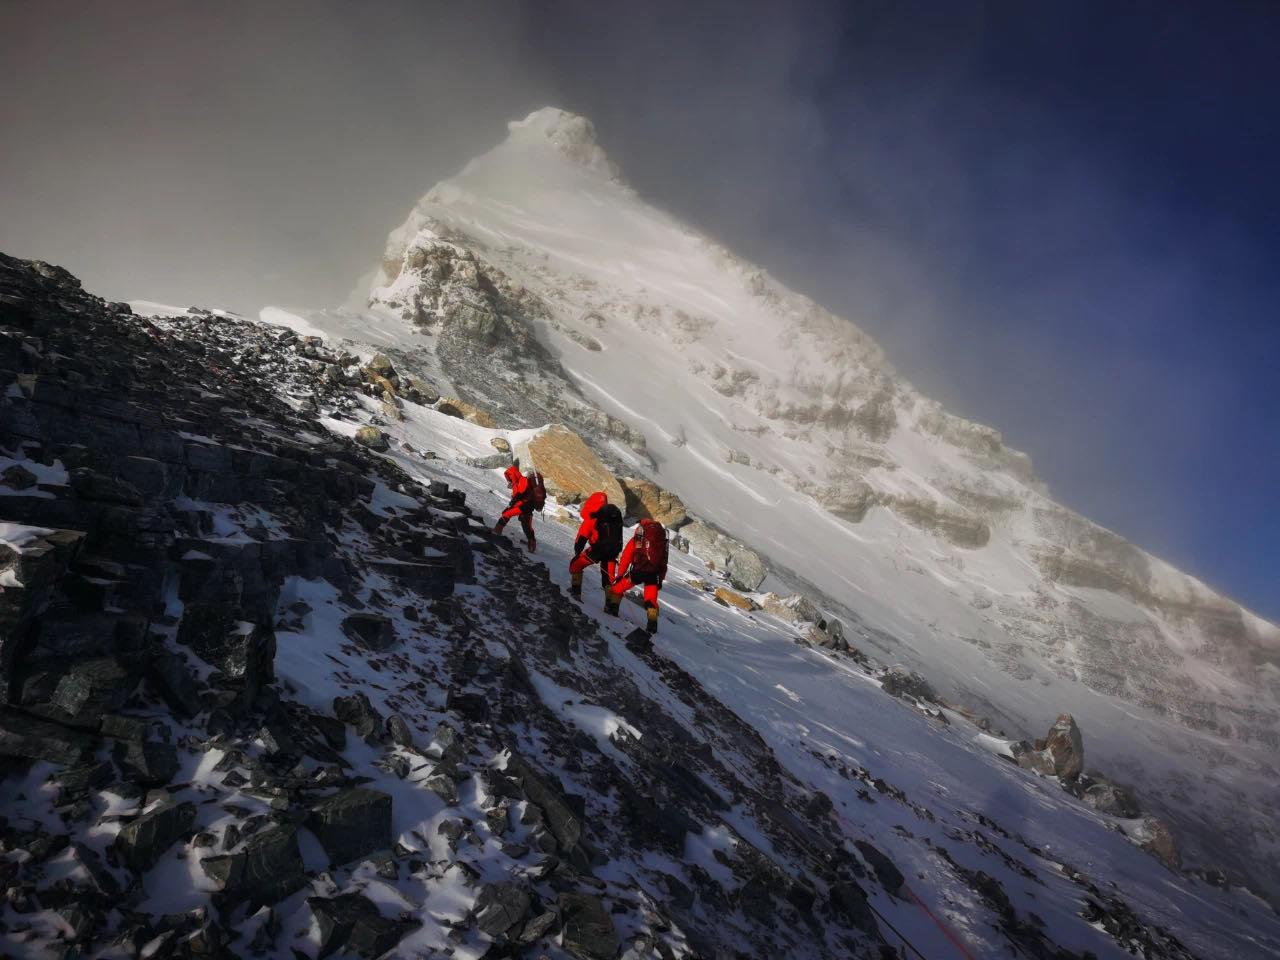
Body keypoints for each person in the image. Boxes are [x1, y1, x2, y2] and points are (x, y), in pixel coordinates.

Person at [605, 518, 668, 634]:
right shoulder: (661, 540)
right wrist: (660, 580)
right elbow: (663, 563)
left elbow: (626, 557)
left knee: (617, 589)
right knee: (651, 600)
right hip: (653, 574)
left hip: (638, 571)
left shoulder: (639, 537)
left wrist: (620, 575)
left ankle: (612, 609)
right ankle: (652, 627)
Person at [568, 493, 623, 600]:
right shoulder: (613, 516)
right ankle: (611, 606)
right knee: (608, 579)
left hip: (597, 550)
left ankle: (576, 592)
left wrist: (577, 553)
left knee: (576, 565)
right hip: (613, 552)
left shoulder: (593, 515)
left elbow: (582, 537)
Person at [493, 463, 539, 552]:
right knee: (526, 524)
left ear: (513, 475)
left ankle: (497, 531)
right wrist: (512, 503)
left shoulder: (523, 480)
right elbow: (518, 496)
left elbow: (519, 495)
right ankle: (532, 544)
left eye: (510, 477)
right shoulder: (518, 482)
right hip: (526, 506)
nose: (509, 480)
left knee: (507, 514)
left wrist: (512, 504)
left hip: (525, 506)